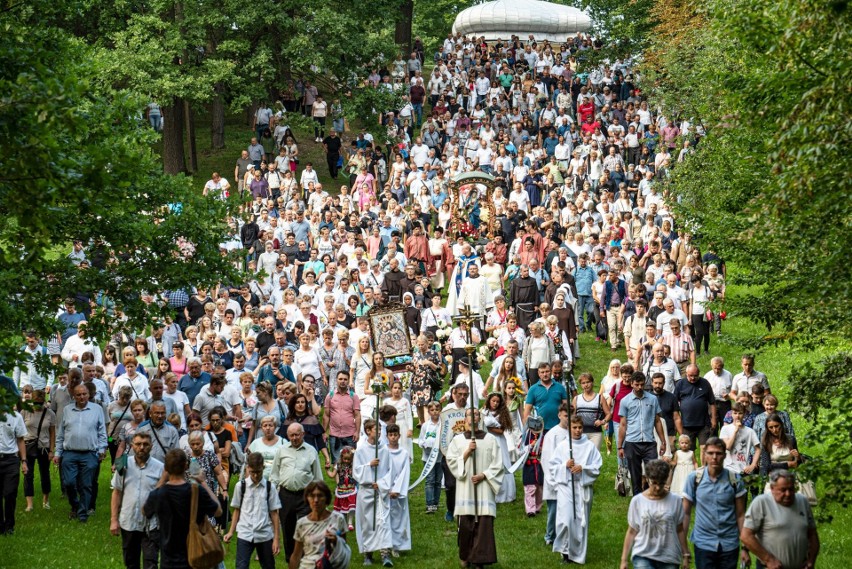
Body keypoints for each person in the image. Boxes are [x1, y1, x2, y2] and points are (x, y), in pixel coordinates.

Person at [445, 408, 505, 568]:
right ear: (465, 418)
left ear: (480, 418)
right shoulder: (458, 440)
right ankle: (465, 555)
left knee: (483, 525)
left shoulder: (490, 439)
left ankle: (480, 559)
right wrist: (466, 453)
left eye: (476, 414)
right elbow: (451, 461)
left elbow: (498, 464)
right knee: (466, 524)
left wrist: (484, 475)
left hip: (483, 487)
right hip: (466, 488)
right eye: (470, 414)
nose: (473, 416)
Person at [143, 449, 222, 568]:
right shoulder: (197, 491)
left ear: (166, 468)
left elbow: (145, 511)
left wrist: (162, 480)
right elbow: (218, 511)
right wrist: (203, 482)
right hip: (195, 555)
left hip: (168, 560)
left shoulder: (158, 494)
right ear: (186, 466)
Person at [682, 436, 748, 569]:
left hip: (729, 543)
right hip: (703, 543)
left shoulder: (735, 479)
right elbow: (685, 513)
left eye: (718, 453)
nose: (714, 457)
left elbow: (741, 515)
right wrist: (684, 549)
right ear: (704, 455)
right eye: (710, 453)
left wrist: (745, 547)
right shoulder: (694, 479)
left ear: (724, 455)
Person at [549, 414, 603, 564]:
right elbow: (552, 466)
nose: (578, 430)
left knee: (580, 522)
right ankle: (566, 552)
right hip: (566, 486)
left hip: (582, 488)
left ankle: (577, 554)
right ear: (569, 428)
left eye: (580, 427)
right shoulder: (563, 446)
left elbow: (597, 467)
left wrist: (583, 468)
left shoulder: (589, 446)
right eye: (574, 428)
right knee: (566, 520)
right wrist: (565, 465)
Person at [741, 470, 819, 569]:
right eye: (783, 490)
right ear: (772, 488)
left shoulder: (802, 501)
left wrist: (811, 560)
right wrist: (768, 559)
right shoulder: (761, 503)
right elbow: (746, 535)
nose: (788, 494)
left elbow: (812, 534)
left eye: (791, 489)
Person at [269, 422, 324, 564]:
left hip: (305, 496)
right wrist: (271, 493)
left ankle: (307, 560)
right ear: (287, 436)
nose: (294, 438)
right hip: (285, 495)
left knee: (306, 528)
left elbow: (317, 477)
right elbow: (274, 474)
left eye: (297, 435)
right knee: (287, 529)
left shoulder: (311, 450)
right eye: (291, 435)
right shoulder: (281, 450)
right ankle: (291, 561)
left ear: (303, 434)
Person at [620, 459, 690, 569]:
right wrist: (624, 560)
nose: (657, 488)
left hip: (669, 557)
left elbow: (679, 529)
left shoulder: (675, 500)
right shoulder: (637, 501)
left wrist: (685, 554)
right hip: (643, 555)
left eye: (661, 483)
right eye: (654, 483)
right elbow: (632, 530)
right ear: (647, 479)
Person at [54, 382, 108, 523]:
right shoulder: (67, 410)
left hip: (89, 453)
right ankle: (75, 505)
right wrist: (57, 453)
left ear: (89, 395)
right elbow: (61, 433)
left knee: (86, 485)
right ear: (74, 396)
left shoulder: (97, 409)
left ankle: (82, 514)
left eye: (84, 394)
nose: (82, 397)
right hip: (69, 453)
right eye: (78, 394)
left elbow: (102, 432)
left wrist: (102, 449)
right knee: (69, 483)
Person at [110, 431, 165, 569]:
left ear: (151, 446)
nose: (142, 447)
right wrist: (114, 520)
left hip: (151, 524)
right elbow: (117, 492)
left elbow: (164, 497)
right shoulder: (123, 465)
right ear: (132, 446)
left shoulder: (160, 468)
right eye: (138, 444)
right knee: (130, 562)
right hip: (128, 521)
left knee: (151, 563)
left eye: (145, 444)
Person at [224, 453, 282, 569]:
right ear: (248, 468)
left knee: (269, 566)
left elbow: (274, 514)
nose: (255, 475)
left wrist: (276, 539)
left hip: (264, 534)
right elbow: (237, 510)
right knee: (241, 566)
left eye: (258, 472)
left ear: (263, 467)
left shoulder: (270, 488)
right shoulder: (240, 486)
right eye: (252, 472)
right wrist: (231, 532)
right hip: (245, 533)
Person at [352, 419, 394, 567]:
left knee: (383, 523)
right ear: (368, 431)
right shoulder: (361, 450)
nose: (379, 432)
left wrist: (381, 483)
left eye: (380, 430)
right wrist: (369, 465)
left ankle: (385, 554)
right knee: (368, 523)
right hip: (366, 491)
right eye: (376, 429)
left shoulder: (384, 450)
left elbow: (390, 471)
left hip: (380, 491)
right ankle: (368, 554)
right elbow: (356, 471)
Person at [618, 372, 667, 496]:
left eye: (641, 384)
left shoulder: (653, 399)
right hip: (632, 442)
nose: (640, 387)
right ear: (632, 384)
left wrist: (663, 441)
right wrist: (620, 446)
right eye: (636, 385)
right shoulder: (625, 401)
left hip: (649, 442)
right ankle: (637, 499)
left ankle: (654, 495)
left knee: (654, 471)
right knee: (635, 474)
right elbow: (623, 425)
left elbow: (657, 420)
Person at [289, 481, 349, 569]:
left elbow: (344, 548)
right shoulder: (302, 524)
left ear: (326, 498)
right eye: (312, 496)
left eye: (320, 496)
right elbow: (296, 555)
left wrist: (336, 541)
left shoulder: (338, 519)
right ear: (307, 498)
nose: (316, 500)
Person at [21, 387, 55, 512]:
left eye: (40, 403)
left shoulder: (50, 413)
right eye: (35, 403)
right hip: (28, 446)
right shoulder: (25, 411)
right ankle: (29, 504)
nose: (38, 405)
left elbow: (52, 433)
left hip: (44, 447)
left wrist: (52, 450)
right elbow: (19, 431)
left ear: (44, 402)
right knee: (28, 475)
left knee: (44, 474)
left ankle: (46, 501)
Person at [0, 402, 27, 535]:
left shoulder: (16, 417)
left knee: (10, 493)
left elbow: (20, 440)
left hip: (11, 460)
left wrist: (24, 461)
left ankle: (9, 526)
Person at [323, 372, 361, 465]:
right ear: (336, 380)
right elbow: (326, 415)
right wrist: (324, 432)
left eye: (345, 379)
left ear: (348, 381)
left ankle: (349, 479)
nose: (342, 381)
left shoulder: (354, 396)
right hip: (334, 435)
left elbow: (357, 415)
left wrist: (357, 431)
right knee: (336, 463)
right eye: (340, 379)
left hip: (350, 435)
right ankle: (338, 480)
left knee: (351, 462)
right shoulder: (330, 395)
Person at [386, 424, 411, 557]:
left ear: (399, 436)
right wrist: (387, 489)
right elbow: (383, 472)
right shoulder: (384, 452)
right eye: (390, 435)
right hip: (386, 490)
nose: (393, 437)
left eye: (395, 435)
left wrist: (397, 489)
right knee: (386, 518)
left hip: (399, 491)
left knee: (399, 518)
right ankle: (387, 545)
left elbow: (404, 472)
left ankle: (397, 546)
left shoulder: (404, 453)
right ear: (387, 436)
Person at [327, 446, 357, 531]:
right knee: (342, 507)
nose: (347, 461)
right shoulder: (338, 465)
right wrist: (327, 470)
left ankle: (350, 522)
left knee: (351, 507)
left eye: (349, 459)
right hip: (341, 489)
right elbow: (332, 475)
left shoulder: (353, 466)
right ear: (341, 457)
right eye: (345, 459)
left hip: (351, 489)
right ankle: (342, 521)